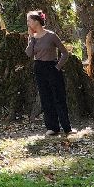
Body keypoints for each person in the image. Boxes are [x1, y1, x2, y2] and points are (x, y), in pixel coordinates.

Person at [25, 10, 72, 143]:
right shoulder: (33, 38)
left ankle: (66, 126)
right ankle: (52, 127)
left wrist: (57, 67)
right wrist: (31, 38)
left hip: (52, 67)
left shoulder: (51, 36)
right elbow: (29, 54)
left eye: (29, 20)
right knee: (45, 98)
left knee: (59, 97)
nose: (28, 23)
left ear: (36, 21)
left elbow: (64, 53)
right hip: (39, 68)